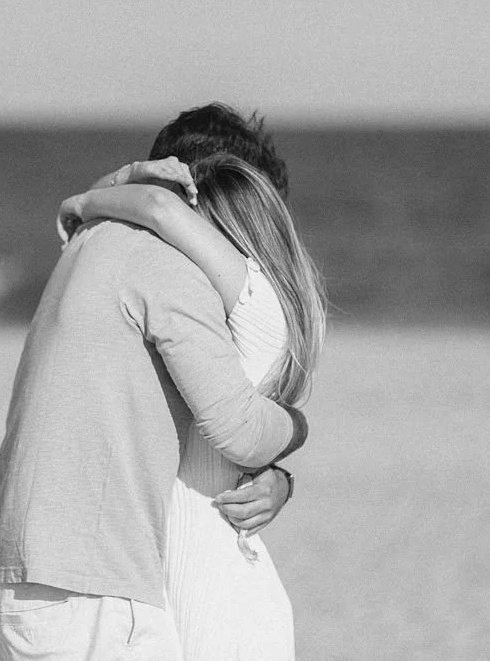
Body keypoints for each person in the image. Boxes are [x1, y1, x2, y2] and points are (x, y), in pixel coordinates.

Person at [0, 104, 312, 659]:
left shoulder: (90, 243)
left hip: (32, 572)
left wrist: (94, 195)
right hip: (89, 588)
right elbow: (238, 428)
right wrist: (297, 431)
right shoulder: (168, 266)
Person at [57, 149, 327, 658]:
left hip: (201, 571)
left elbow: (158, 210)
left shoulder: (251, 298)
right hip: (218, 563)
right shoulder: (259, 312)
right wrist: (281, 479)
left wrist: (83, 201)